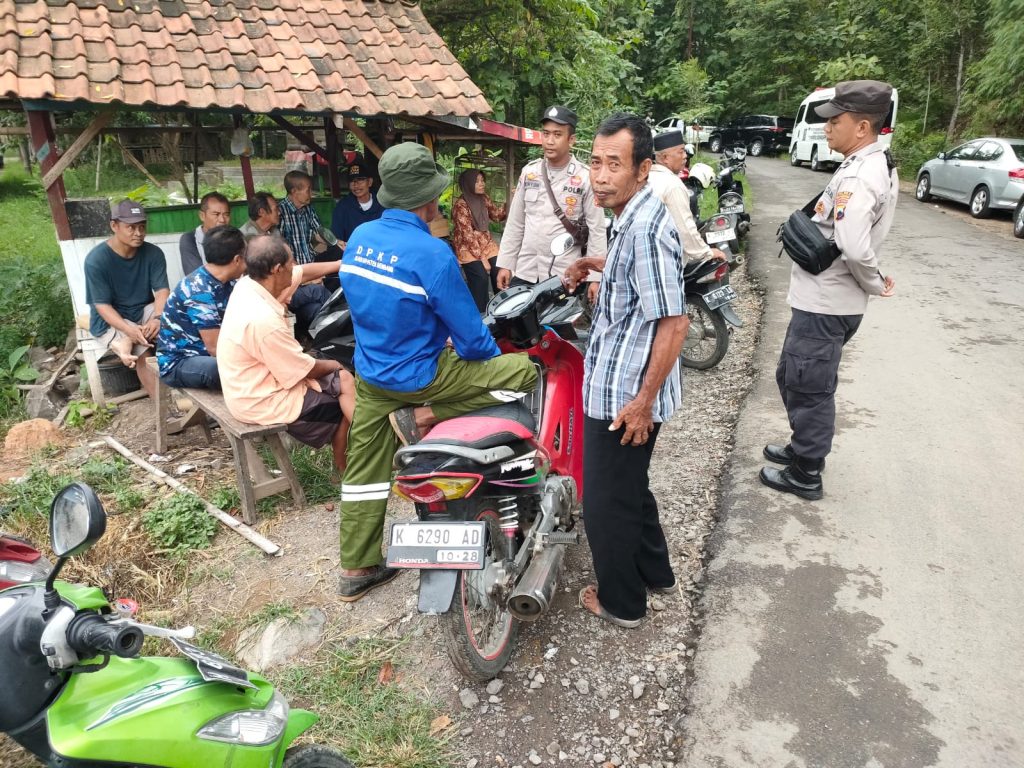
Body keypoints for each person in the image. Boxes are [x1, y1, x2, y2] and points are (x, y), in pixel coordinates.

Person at [336, 142, 538, 602]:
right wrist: (490, 359)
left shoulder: (361, 242)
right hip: (424, 375)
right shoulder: (433, 253)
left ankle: (356, 568)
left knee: (364, 475)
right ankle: (428, 412)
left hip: (371, 376)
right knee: (524, 370)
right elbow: (470, 338)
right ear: (428, 200)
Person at [563, 113, 689, 628]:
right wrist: (591, 265)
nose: (600, 175)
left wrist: (643, 402)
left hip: (625, 395)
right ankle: (655, 573)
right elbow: (632, 278)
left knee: (605, 503)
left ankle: (622, 601)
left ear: (642, 169)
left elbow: (675, 324)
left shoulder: (645, 229)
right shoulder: (629, 218)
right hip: (622, 382)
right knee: (631, 487)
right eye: (595, 162)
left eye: (614, 164)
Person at [760, 80, 898, 500]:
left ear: (862, 127)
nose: (826, 128)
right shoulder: (863, 162)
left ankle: (806, 472)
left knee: (809, 386)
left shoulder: (860, 174)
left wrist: (874, 283)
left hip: (828, 303)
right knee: (794, 375)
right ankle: (802, 446)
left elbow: (855, 247)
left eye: (835, 121)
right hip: (821, 301)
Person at [217, 235, 355, 474]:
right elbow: (305, 369)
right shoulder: (262, 320)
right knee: (340, 397)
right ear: (277, 269)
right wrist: (336, 363)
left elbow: (305, 272)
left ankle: (364, 448)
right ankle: (347, 469)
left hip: (256, 378)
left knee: (344, 380)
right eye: (291, 263)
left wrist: (344, 264)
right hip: (260, 398)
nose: (295, 267)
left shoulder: (251, 284)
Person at [496, 105, 606, 303]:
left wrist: (596, 279)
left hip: (563, 275)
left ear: (571, 140)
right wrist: (505, 263)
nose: (549, 141)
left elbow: (597, 230)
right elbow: (516, 223)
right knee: (519, 331)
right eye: (545, 134)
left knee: (556, 332)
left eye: (557, 134)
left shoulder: (585, 178)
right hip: (526, 271)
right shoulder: (529, 173)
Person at [84, 200, 169, 399]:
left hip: (143, 312)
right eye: (131, 227)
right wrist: (129, 330)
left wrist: (158, 317)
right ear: (114, 226)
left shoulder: (153, 253)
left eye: (142, 226)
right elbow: (103, 306)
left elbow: (162, 291)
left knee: (175, 326)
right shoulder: (96, 260)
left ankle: (188, 386)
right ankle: (166, 410)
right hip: (110, 319)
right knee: (142, 349)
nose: (138, 233)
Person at [156, 226, 247, 390]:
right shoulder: (198, 290)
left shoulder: (229, 283)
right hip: (180, 362)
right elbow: (215, 348)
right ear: (237, 259)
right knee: (224, 369)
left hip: (205, 355)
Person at [649, 129, 725, 265]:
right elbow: (684, 228)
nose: (685, 156)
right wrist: (707, 252)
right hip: (665, 262)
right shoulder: (672, 185)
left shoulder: (649, 177)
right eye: (681, 151)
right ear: (665, 158)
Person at [276, 171, 332, 335]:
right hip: (292, 280)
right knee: (321, 294)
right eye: (307, 189)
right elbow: (280, 252)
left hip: (311, 274)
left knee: (316, 309)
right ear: (294, 191)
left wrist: (335, 241)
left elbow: (320, 231)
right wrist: (307, 278)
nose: (310, 193)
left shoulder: (308, 209)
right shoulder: (280, 213)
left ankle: (322, 341)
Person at [451, 168, 507, 311]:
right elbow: (467, 236)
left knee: (499, 269)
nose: (482, 184)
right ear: (468, 183)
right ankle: (481, 314)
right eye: (477, 181)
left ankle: (503, 309)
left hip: (485, 242)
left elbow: (496, 216)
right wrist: (482, 258)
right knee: (481, 277)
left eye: (482, 181)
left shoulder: (484, 198)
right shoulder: (460, 206)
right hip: (467, 246)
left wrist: (509, 203)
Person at [330, 154, 384, 249]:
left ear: (370, 182)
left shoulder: (382, 204)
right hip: (352, 256)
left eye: (360, 180)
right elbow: (336, 240)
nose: (356, 185)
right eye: (352, 181)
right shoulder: (342, 207)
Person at [179, 192, 231, 275]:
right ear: (202, 216)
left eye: (226, 214)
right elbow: (197, 277)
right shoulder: (190, 239)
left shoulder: (235, 238)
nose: (222, 220)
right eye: (216, 214)